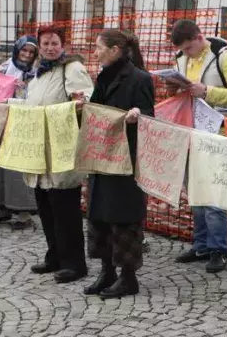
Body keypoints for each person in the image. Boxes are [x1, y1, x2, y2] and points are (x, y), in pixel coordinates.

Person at [169, 19, 227, 274]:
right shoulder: (180, 59)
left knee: (213, 195)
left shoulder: (223, 59)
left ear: (200, 37)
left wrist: (207, 92)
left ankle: (218, 248)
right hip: (189, 131)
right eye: (183, 50)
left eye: (189, 48)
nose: (186, 54)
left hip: (216, 133)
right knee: (194, 191)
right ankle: (201, 244)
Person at [84, 29, 155, 299]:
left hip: (126, 160)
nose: (95, 51)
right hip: (102, 156)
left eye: (99, 47)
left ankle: (128, 278)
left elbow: (150, 115)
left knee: (124, 218)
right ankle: (106, 271)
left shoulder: (140, 79)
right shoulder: (103, 76)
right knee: (100, 215)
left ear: (115, 50)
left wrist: (140, 114)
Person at [25, 25, 93, 284]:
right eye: (45, 44)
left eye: (54, 43)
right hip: (39, 149)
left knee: (65, 208)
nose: (50, 47)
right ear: (39, 46)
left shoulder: (72, 68)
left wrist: (75, 104)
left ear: (62, 45)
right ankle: (54, 255)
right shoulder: (38, 72)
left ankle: (74, 263)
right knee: (45, 205)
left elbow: (85, 98)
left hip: (62, 147)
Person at [0, 35, 39, 230]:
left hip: (22, 125)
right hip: (1, 124)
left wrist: (24, 89)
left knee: (17, 169)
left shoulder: (36, 73)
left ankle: (23, 213)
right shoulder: (5, 68)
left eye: (31, 52)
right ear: (17, 50)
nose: (27, 55)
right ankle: (2, 208)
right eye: (24, 50)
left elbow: (37, 97)